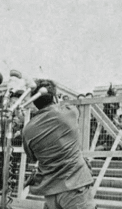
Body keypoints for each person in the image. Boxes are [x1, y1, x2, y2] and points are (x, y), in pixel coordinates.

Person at [22, 80, 96, 209]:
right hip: (75, 186)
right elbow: (66, 106)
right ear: (55, 97)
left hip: (50, 191)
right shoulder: (70, 113)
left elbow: (32, 157)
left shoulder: (27, 130)